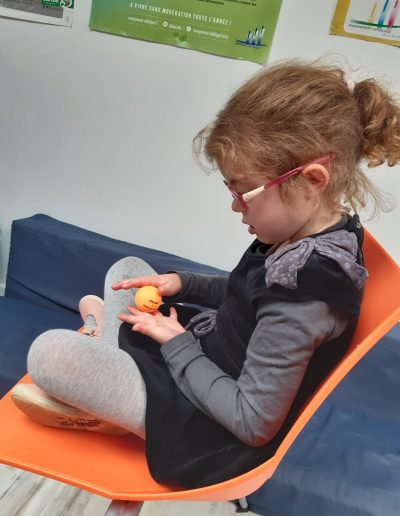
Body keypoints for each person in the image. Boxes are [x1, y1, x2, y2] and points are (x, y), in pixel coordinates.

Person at [11, 60, 400, 489]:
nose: (235, 205)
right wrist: (184, 284)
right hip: (207, 356)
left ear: (311, 180)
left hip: (208, 429)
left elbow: (251, 422)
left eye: (243, 191)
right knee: (129, 272)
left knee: (50, 354)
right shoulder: (310, 231)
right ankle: (105, 357)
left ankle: (99, 360)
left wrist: (176, 344)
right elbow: (247, 294)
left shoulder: (304, 293)